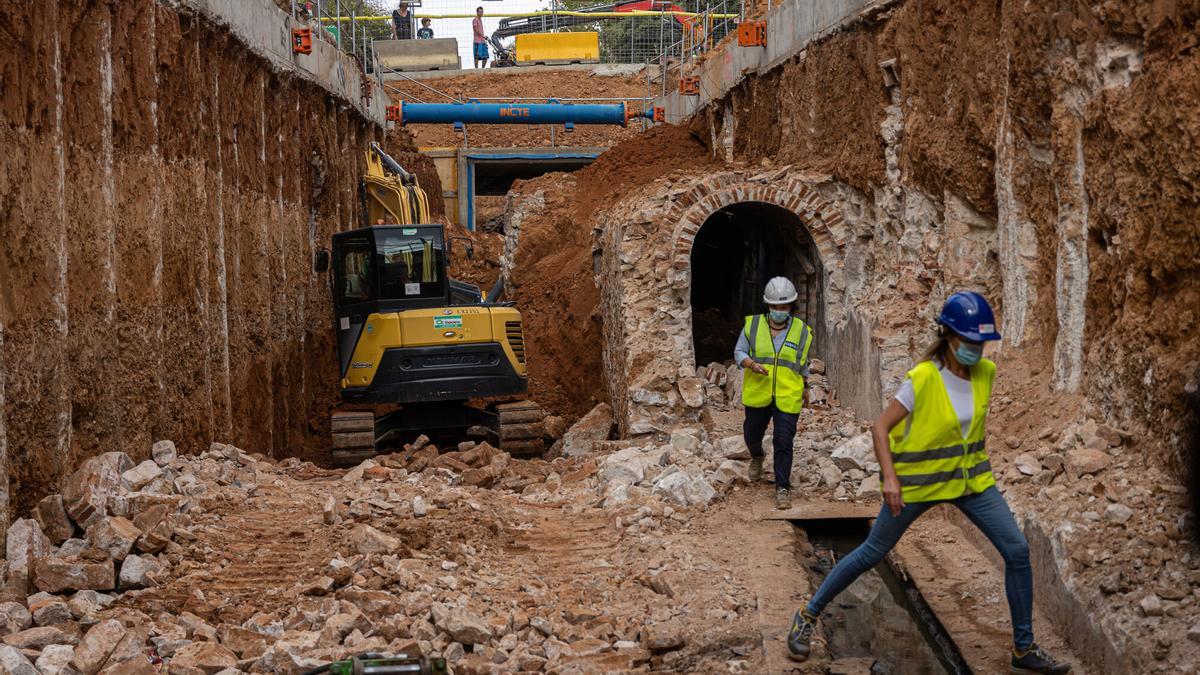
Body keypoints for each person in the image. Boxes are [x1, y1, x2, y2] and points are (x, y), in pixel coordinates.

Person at [785, 292, 1071, 675]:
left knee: (1017, 551)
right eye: (970, 342)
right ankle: (808, 614)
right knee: (872, 551)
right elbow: (881, 428)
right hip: (917, 485)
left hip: (971, 482)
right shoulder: (922, 378)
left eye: (981, 343)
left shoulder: (985, 373)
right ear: (949, 336)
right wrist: (890, 478)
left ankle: (1024, 649)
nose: (977, 349)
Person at [734, 276, 814, 510]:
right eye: (776, 306)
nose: (780, 310)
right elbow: (739, 351)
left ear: (791, 306)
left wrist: (806, 387)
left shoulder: (801, 331)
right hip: (759, 392)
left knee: (783, 440)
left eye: (785, 306)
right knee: (751, 434)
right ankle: (757, 456)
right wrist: (750, 364)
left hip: (788, 393)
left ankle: (782, 487)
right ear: (768, 306)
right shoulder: (753, 325)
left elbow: (802, 363)